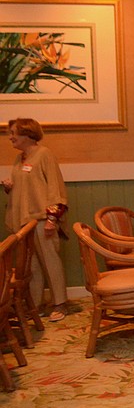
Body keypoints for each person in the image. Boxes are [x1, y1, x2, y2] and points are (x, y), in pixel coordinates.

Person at [3, 118, 69, 322]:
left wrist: (52, 218)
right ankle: (36, 303)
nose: (11, 137)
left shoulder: (44, 154)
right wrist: (9, 187)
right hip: (24, 221)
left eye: (14, 133)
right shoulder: (19, 158)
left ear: (27, 134)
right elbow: (28, 186)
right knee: (31, 267)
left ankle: (60, 303)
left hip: (42, 219)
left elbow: (54, 188)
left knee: (50, 261)